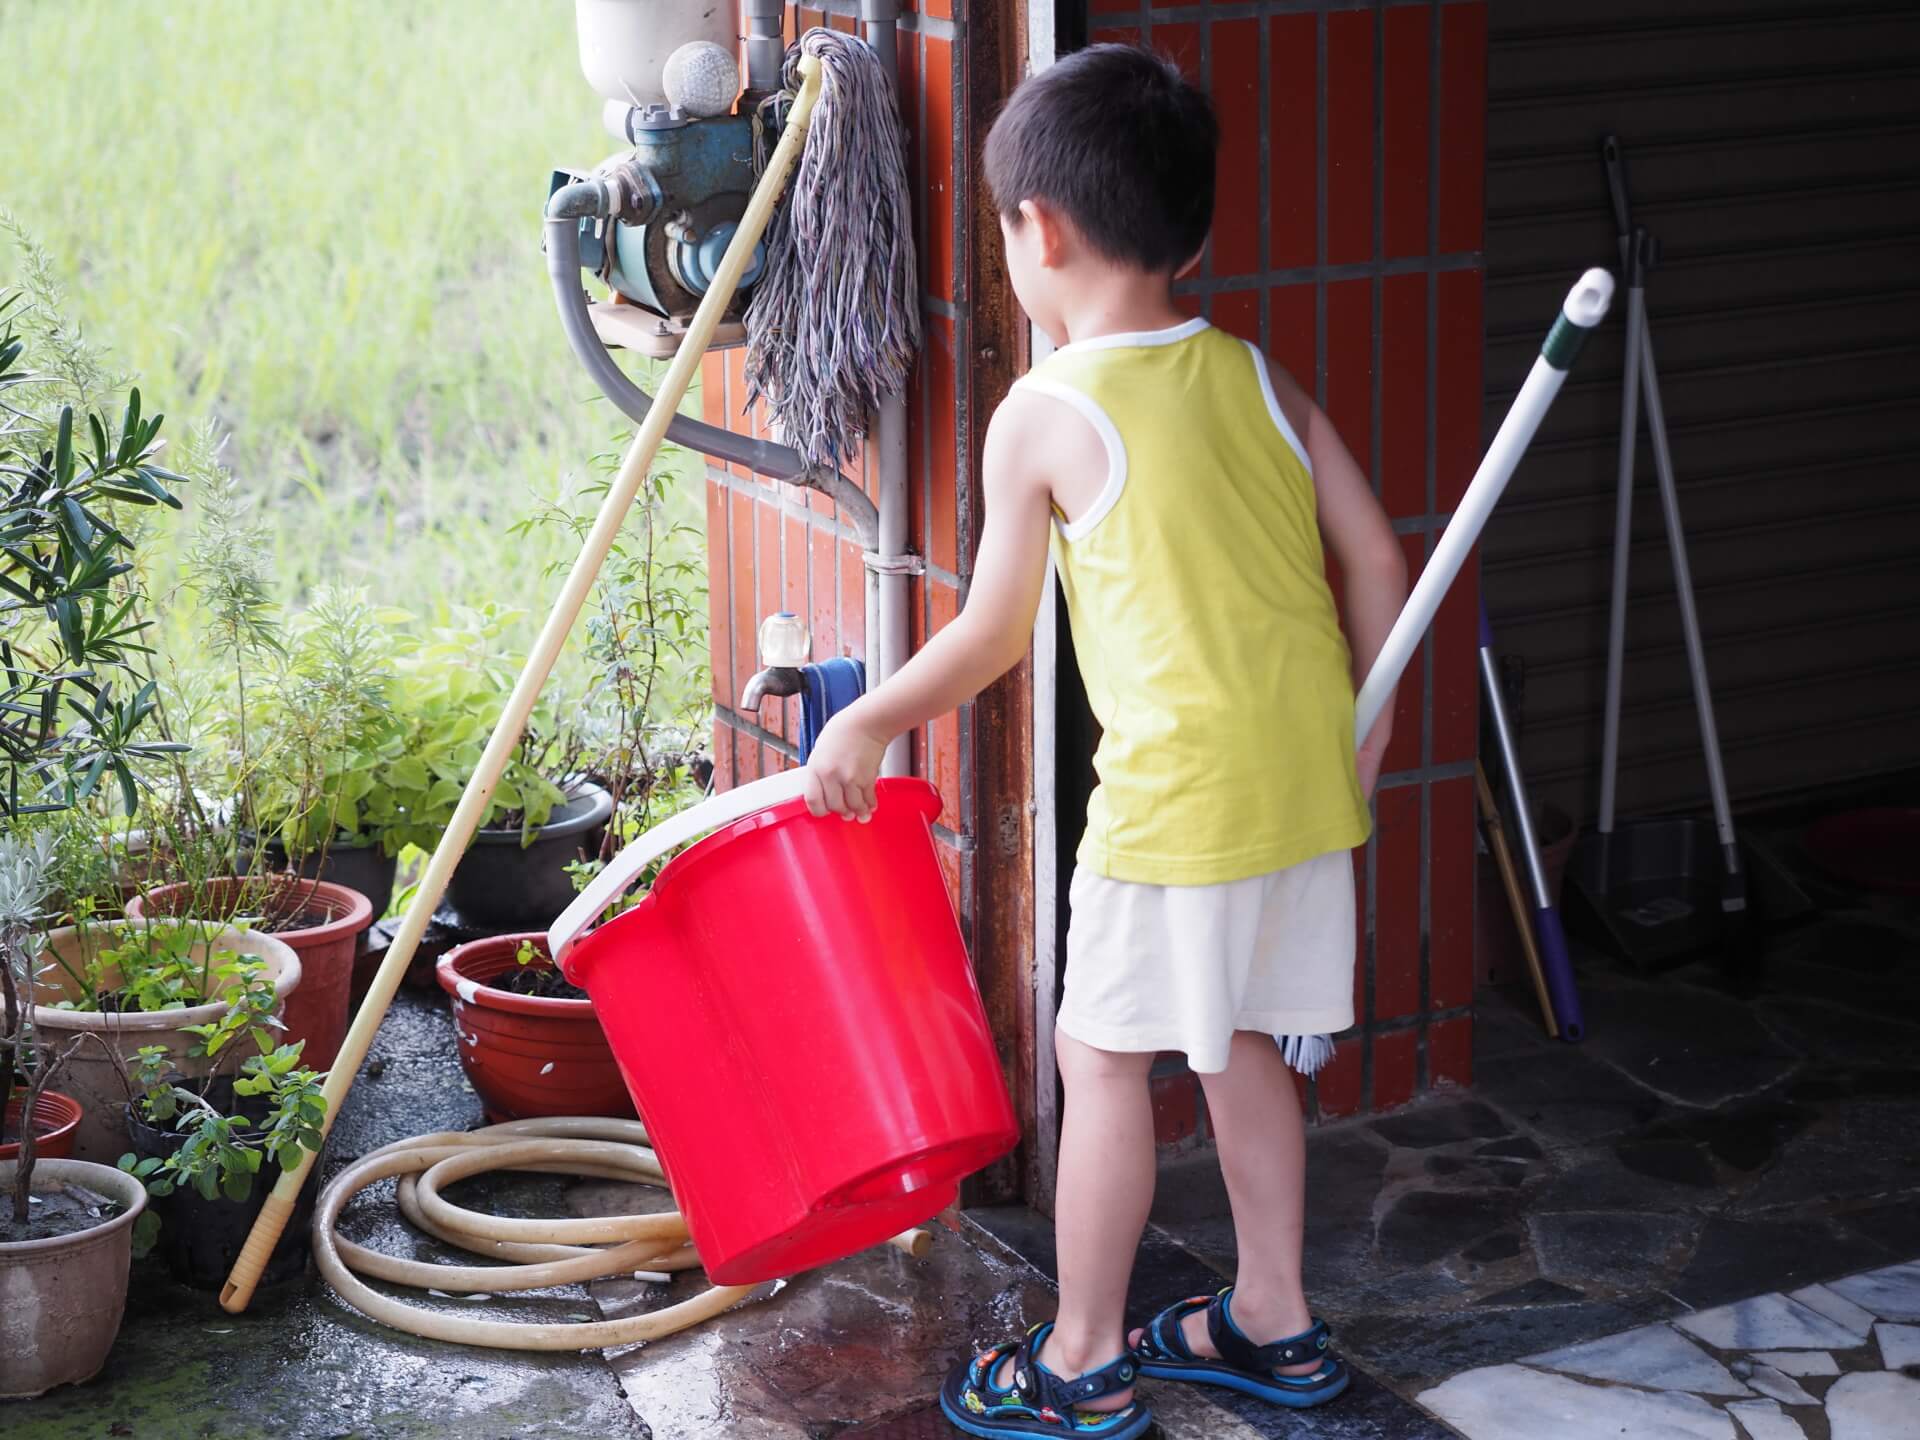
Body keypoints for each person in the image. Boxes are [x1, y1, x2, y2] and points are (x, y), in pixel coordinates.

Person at [803, 42, 1408, 1440]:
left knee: (1105, 1060)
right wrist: (1357, 746)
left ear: (1042, 232)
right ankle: (1272, 1315)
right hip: (1304, 786)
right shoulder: (1257, 377)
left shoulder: (1048, 412)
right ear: (1189, 228)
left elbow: (994, 634)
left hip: (1176, 803)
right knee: (1245, 1041)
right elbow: (1377, 565)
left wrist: (869, 715)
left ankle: (1080, 1356)